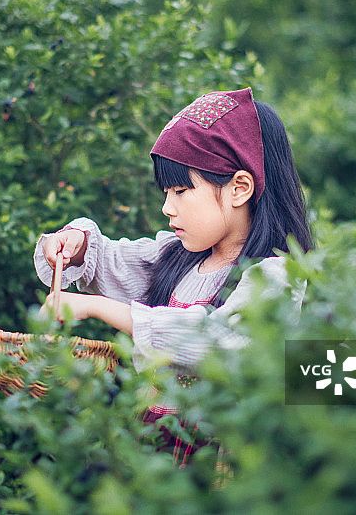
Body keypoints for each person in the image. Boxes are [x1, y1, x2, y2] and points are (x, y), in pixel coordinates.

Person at [34, 88, 312, 464]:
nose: (168, 207)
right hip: (150, 449)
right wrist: (78, 244)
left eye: (181, 190)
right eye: (167, 192)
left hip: (216, 461)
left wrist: (97, 307)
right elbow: (113, 261)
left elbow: (221, 340)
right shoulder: (178, 257)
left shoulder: (275, 274)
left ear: (239, 188)